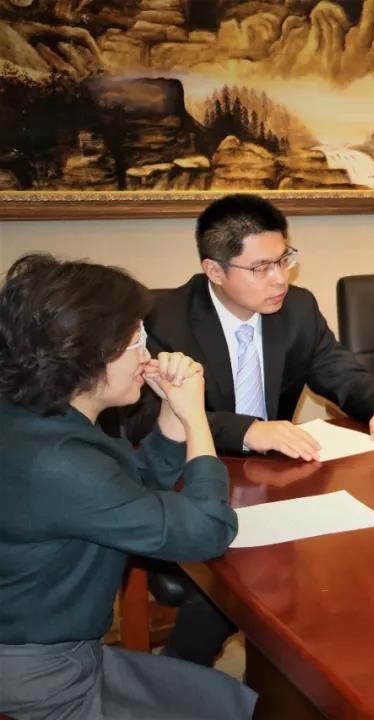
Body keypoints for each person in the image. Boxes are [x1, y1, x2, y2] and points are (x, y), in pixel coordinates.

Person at [118, 193, 374, 668]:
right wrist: (248, 431)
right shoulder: (164, 318)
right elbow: (147, 415)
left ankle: (314, 674)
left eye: (284, 259)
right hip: (190, 482)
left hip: (276, 483)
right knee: (239, 577)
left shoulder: (297, 308)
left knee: (363, 552)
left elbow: (337, 369)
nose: (280, 278)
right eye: (261, 268)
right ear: (214, 271)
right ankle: (181, 676)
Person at [0, 254, 255, 719]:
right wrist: (196, 419)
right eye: (134, 340)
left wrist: (171, 413)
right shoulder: (59, 462)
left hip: (50, 651)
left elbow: (126, 490)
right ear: (85, 354)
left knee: (231, 702)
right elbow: (208, 530)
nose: (147, 353)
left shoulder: (37, 418)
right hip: (45, 675)